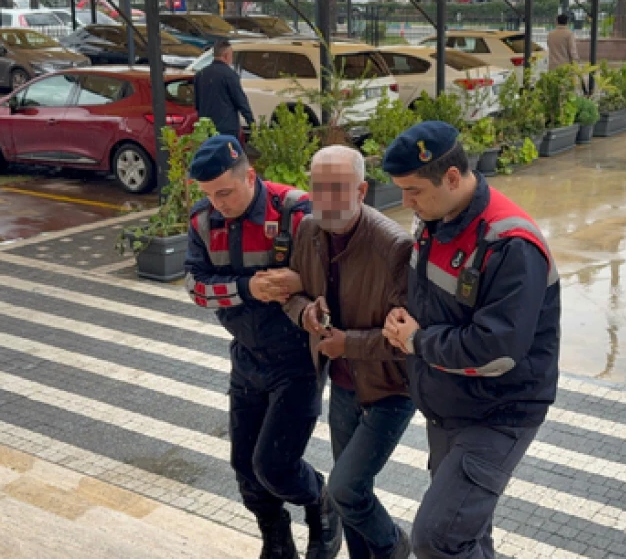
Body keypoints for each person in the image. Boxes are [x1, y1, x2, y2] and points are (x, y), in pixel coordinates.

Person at [379, 121, 561, 559]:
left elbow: (497, 350)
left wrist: (417, 341)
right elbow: (430, 299)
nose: (406, 202)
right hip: (448, 405)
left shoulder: (510, 243)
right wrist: (403, 318)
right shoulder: (435, 219)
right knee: (469, 535)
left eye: (414, 190)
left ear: (453, 177)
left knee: (438, 537)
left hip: (500, 410)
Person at [182, 135, 342, 559]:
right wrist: (248, 287)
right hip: (246, 357)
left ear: (249, 176)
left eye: (226, 192)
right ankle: (276, 541)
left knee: (276, 466)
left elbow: (335, 276)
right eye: (209, 195)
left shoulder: (295, 211)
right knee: (245, 470)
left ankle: (323, 507)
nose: (219, 203)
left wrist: (301, 281)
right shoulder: (202, 222)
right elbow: (196, 288)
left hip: (297, 361)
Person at [274, 146, 416, 559]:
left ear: (361, 190)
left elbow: (406, 341)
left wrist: (346, 344)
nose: (327, 200)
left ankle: (393, 546)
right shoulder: (308, 231)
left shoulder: (394, 247)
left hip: (390, 389)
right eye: (319, 188)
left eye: (338, 189)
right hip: (342, 385)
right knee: (354, 495)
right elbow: (292, 295)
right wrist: (306, 315)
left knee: (344, 488)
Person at [194, 40, 256, 137]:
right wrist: (251, 124)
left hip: (206, 127)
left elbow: (197, 103)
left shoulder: (200, 74)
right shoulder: (230, 75)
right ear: (226, 56)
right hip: (227, 127)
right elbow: (240, 101)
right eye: (231, 55)